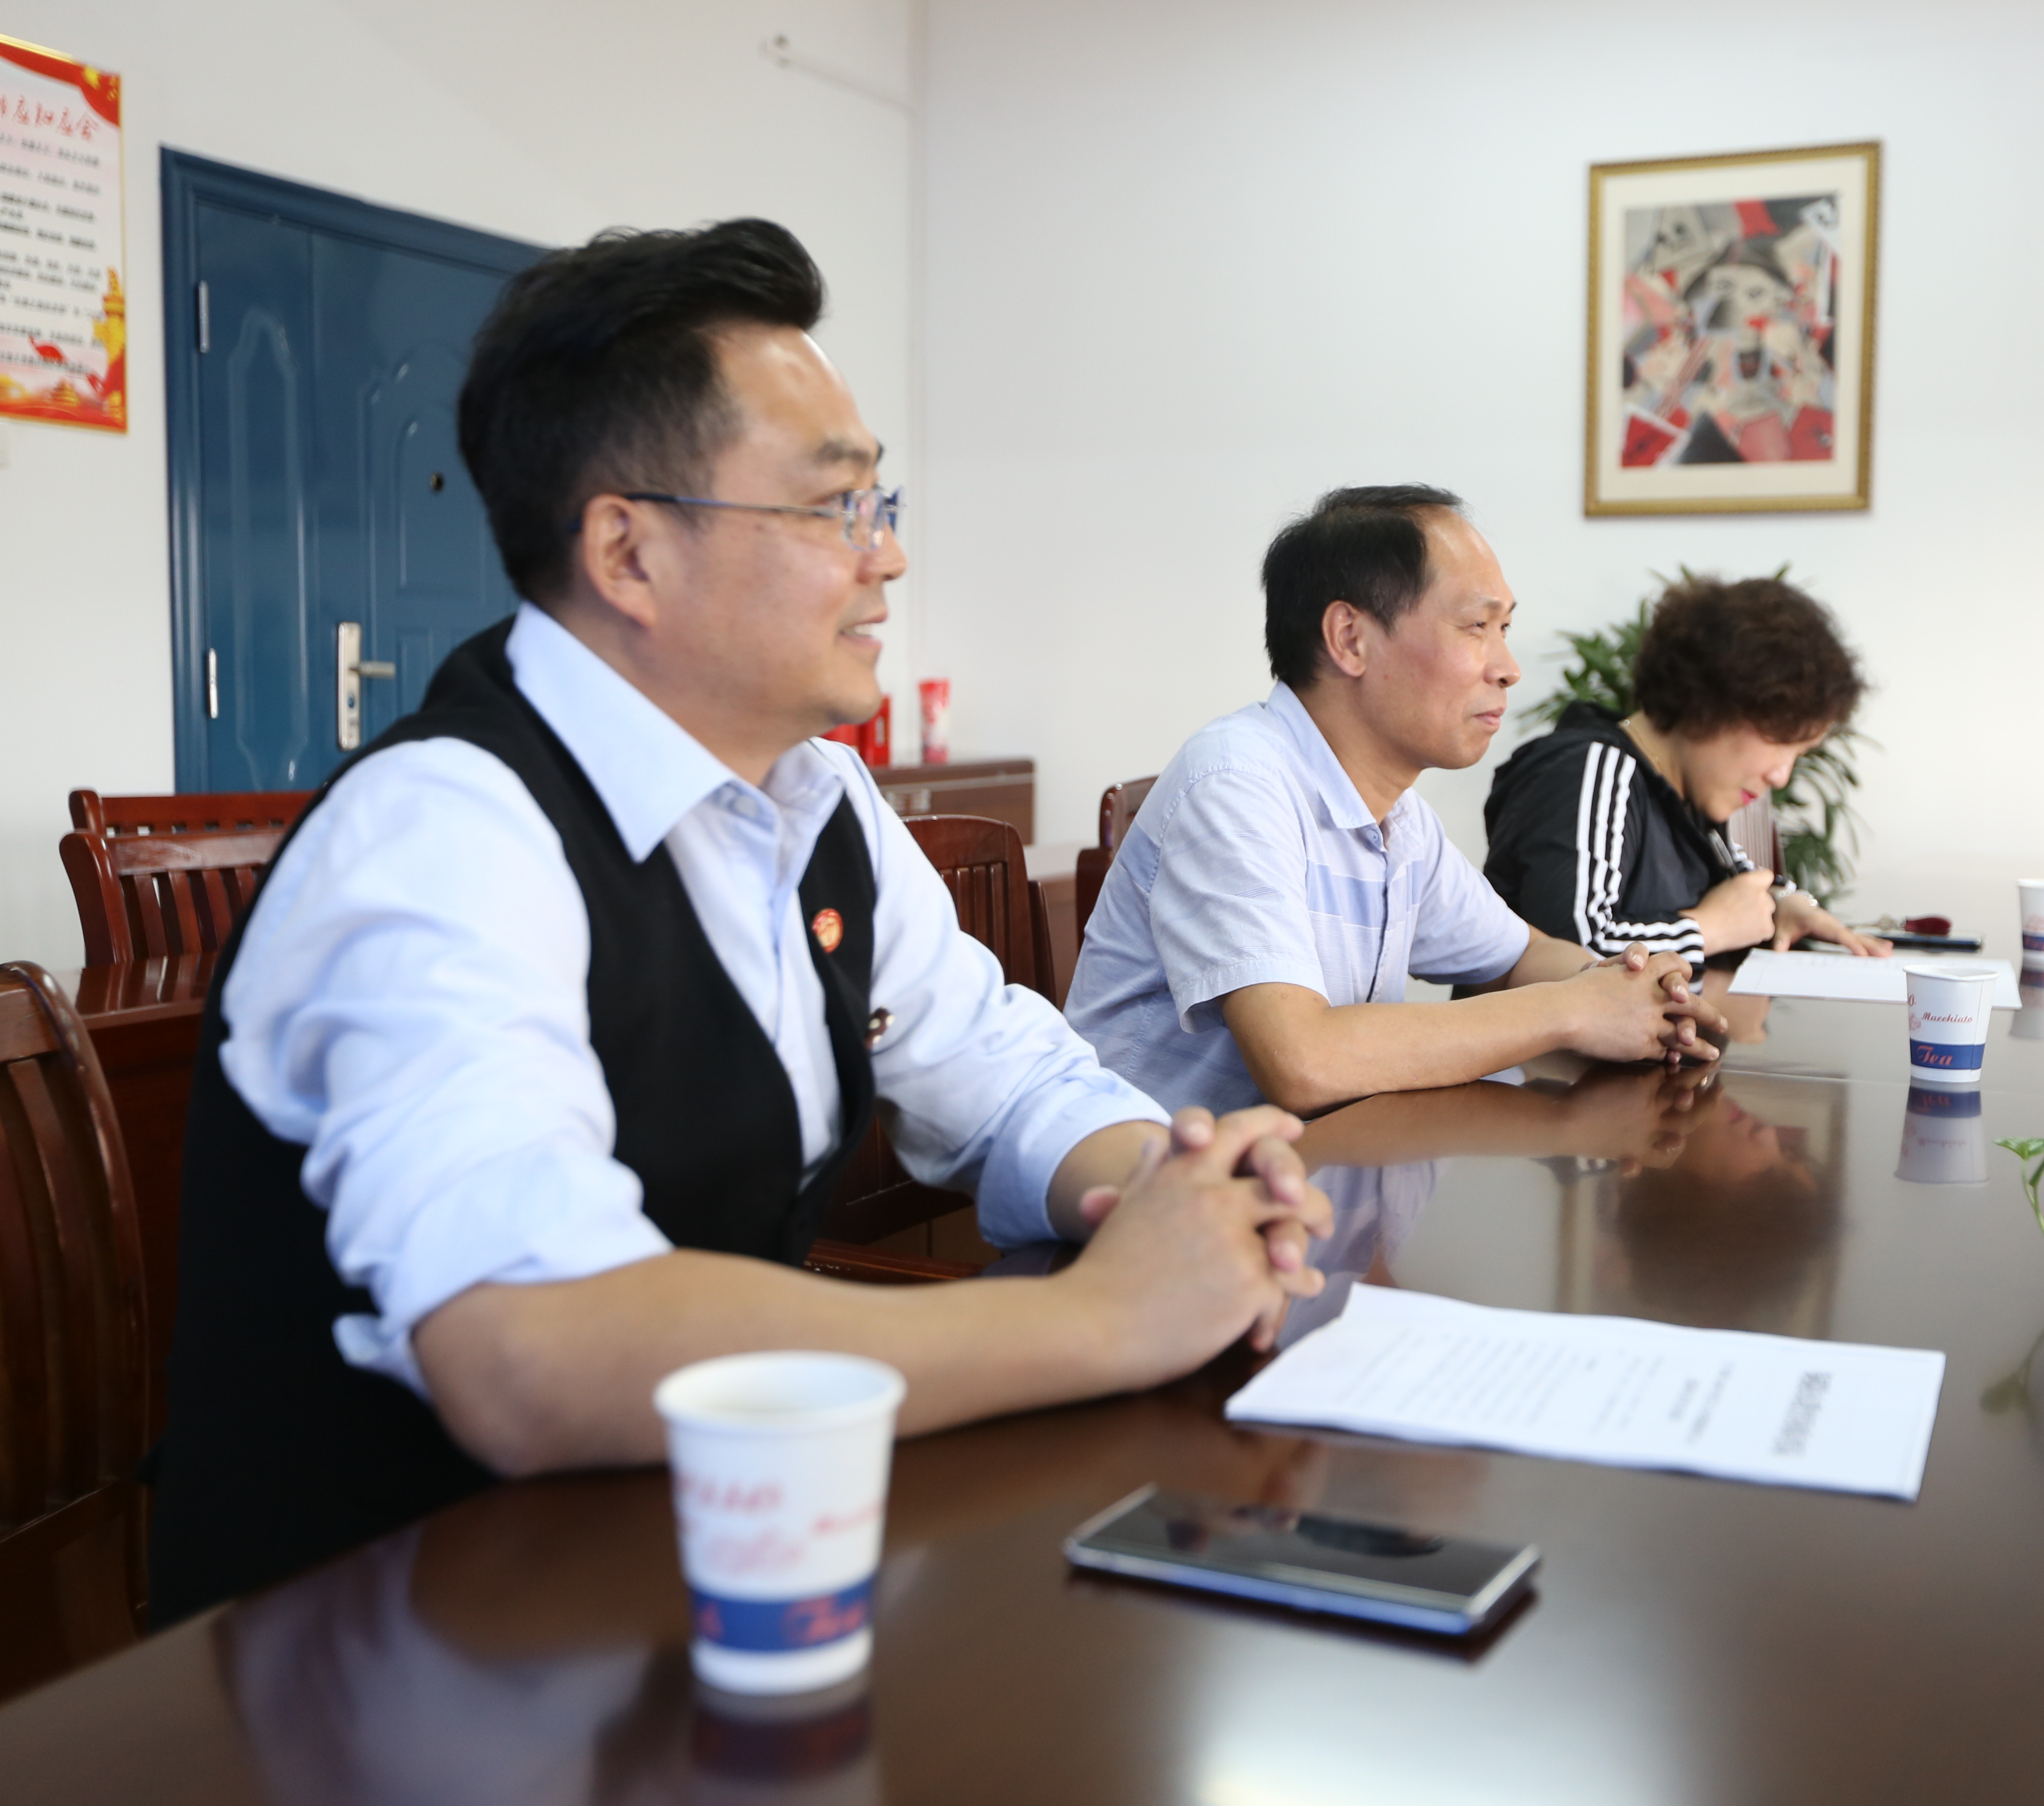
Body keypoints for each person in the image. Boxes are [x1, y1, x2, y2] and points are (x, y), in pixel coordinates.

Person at [149, 220, 1332, 1622]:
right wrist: (1098, 1318)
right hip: (389, 1639)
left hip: (694, 1568)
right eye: (835, 508)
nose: (886, 558)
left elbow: (1007, 1076)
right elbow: (527, 1343)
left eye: (880, 503)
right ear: (628, 550)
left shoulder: (811, 798)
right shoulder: (442, 836)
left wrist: (1168, 1186)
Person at [1066, 485, 1723, 1119]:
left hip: (1314, 1171)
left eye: (1504, 627)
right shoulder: (1237, 783)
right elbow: (1302, 1061)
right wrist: (1573, 1010)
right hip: (1151, 1182)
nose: (1508, 667)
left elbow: (1517, 958)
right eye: (1477, 626)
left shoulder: (1399, 819)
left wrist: (1631, 985)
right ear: (1350, 638)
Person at [1482, 571, 1890, 969]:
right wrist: (1706, 930)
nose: (1781, 776)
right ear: (1713, 704)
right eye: (1782, 744)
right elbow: (1566, 953)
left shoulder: (1687, 797)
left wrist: (1786, 902)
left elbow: (1744, 885)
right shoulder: (1594, 769)